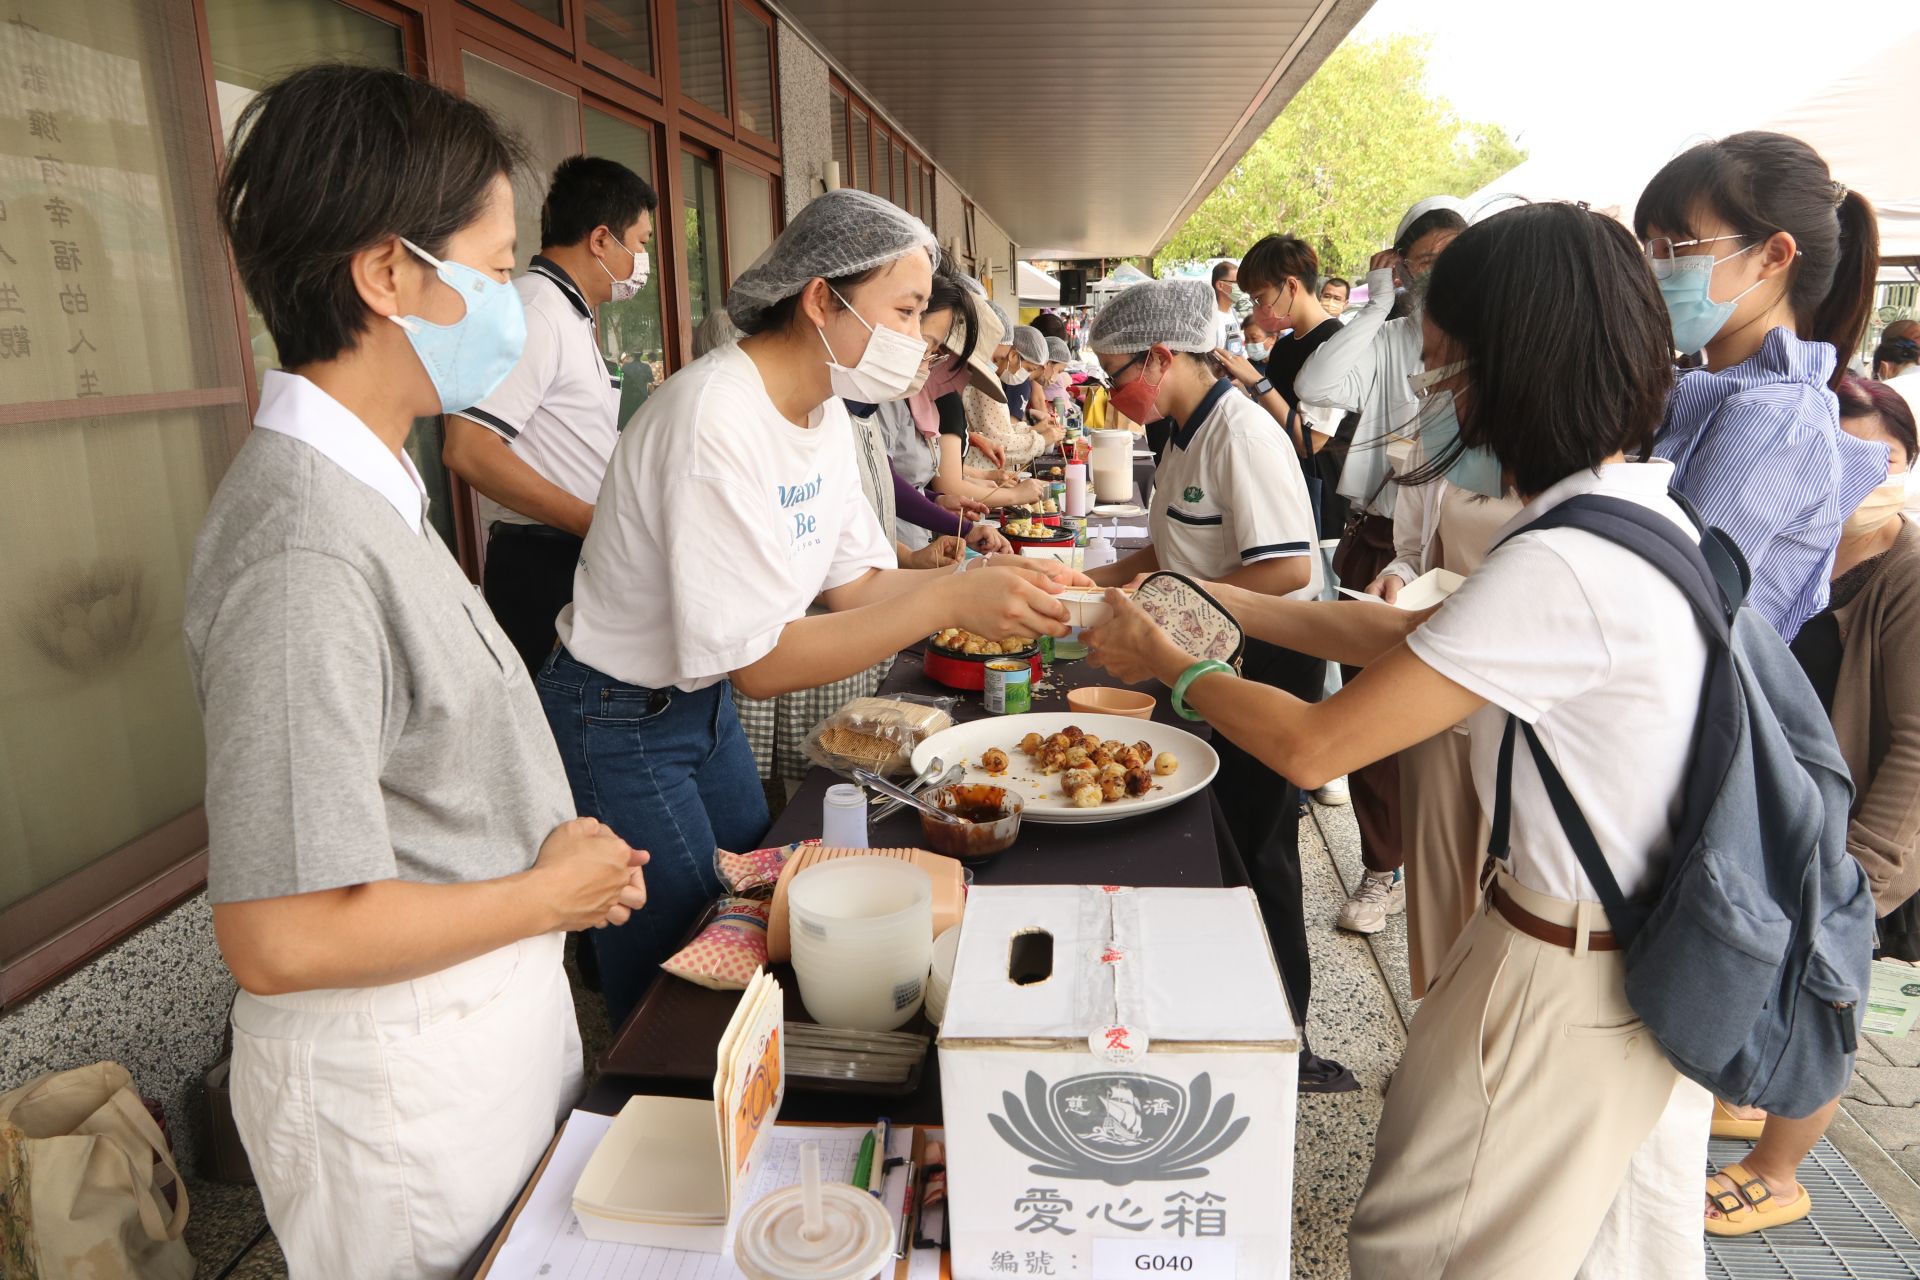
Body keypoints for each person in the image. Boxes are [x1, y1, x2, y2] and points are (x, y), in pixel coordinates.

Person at [1084, 201, 1705, 1276]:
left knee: (1424, 1245)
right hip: (1585, 942)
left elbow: (1320, 745)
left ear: (1523, 367)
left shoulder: (1564, 565)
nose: (1433, 401)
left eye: (1447, 372)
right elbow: (1398, 629)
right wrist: (1203, 595)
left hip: (1562, 970)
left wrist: (1176, 665)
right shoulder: (1621, 517)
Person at [187, 66, 646, 1277]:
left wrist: (559, 866)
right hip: (397, 1087)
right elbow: (280, 932)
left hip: (465, 1036)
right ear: (388, 274)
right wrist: (545, 893)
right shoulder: (304, 545)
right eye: (494, 272)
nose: (510, 303)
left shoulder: (372, 490)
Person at [540, 189, 1085, 1026]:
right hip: (619, 718)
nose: (913, 341)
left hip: (700, 704)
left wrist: (997, 584)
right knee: (682, 980)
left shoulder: (821, 411)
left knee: (764, 911)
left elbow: (859, 584)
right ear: (822, 298)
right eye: (904, 312)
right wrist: (951, 594)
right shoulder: (712, 416)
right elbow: (763, 665)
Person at [1079, 278, 1343, 1091]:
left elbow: (1287, 567)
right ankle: (1221, 1007)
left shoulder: (1241, 435)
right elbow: (1166, 556)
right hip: (1203, 652)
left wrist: (1166, 626)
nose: (1111, 395)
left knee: (1260, 846)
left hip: (1267, 658)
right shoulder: (1180, 432)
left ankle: (1288, 1040)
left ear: (1163, 356)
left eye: (1117, 374)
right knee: (1214, 836)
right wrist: (1079, 591)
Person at [1704, 375, 1920, 1235]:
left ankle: (1780, 1170)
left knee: (1829, 998)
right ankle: (1756, 1103)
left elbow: (1917, 742)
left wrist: (1862, 876)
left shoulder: (1906, 575)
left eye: (1889, 460)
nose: (1867, 478)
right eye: (1843, 458)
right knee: (1777, 981)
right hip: (1786, 821)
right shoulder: (1794, 547)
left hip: (1861, 843)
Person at [1292, 195, 1470, 934]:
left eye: (1456, 259)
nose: (1443, 277)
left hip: (1456, 552)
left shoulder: (1494, 346)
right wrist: (1377, 305)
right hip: (1383, 540)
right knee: (1374, 721)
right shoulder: (1390, 337)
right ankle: (1381, 868)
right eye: (1427, 262)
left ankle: (1444, 874)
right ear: (1400, 265)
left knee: (1445, 731)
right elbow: (1316, 388)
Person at [1635, 131, 1885, 643]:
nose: (1653, 268)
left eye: (1673, 248)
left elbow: (1674, 613)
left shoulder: (1773, 416)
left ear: (1773, 255)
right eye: (1648, 248)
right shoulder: (1706, 388)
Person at [443, 156, 657, 673]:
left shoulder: (569, 313)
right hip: (543, 557)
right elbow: (468, 448)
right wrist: (597, 522)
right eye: (642, 242)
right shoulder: (532, 311)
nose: (644, 260)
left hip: (574, 548)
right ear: (601, 239)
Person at [1209, 259, 1244, 354]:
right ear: (1220, 285)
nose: (1241, 287)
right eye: (1237, 283)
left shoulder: (1233, 313)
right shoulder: (1209, 317)